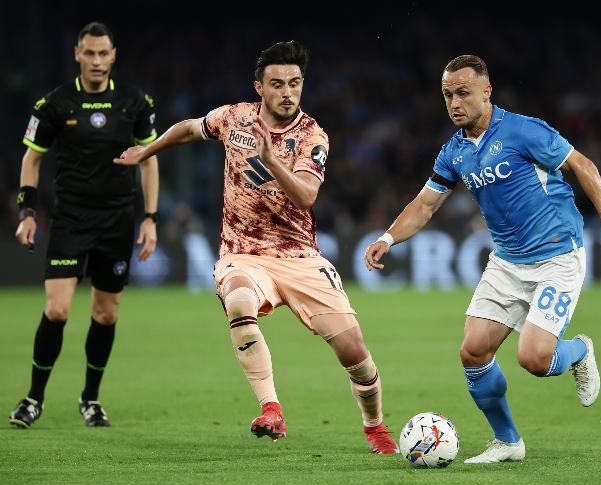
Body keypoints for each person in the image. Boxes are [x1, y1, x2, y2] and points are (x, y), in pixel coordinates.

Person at [114, 41, 398, 454]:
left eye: (295, 83)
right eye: (277, 84)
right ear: (259, 88)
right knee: (238, 301)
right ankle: (271, 408)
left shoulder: (312, 135)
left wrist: (272, 158)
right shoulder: (235, 117)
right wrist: (148, 150)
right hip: (242, 252)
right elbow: (190, 128)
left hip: (299, 256)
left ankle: (375, 427)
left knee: (354, 352)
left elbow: (306, 196)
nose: (288, 92)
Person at [364, 55, 601, 463]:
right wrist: (388, 237)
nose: (454, 103)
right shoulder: (454, 152)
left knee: (534, 358)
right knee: (473, 351)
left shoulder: (524, 131)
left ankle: (579, 350)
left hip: (557, 256)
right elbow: (425, 205)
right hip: (507, 262)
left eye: (463, 93)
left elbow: (583, 165)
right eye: (447, 95)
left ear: (487, 92)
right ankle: (508, 442)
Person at [9, 22, 159, 428]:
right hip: (71, 219)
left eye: (103, 53)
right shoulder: (54, 104)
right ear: (77, 54)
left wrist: (150, 218)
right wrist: (27, 212)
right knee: (57, 310)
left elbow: (149, 161)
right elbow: (31, 159)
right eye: (89, 53)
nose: (96, 61)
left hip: (116, 221)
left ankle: (90, 399)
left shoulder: (135, 102)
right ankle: (34, 398)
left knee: (105, 315)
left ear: (113, 55)